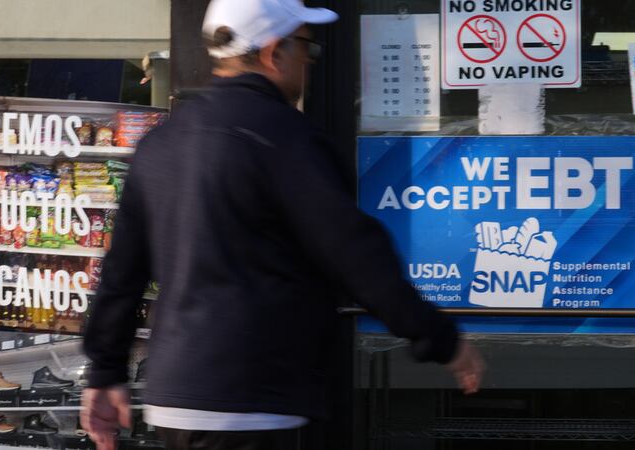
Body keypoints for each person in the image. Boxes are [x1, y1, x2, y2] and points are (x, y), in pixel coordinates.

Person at [80, 0, 485, 449]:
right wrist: (439, 337)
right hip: (254, 398)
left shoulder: (161, 143)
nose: (308, 66)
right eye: (308, 52)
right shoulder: (286, 137)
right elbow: (355, 254)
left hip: (174, 396)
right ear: (275, 52)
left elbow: (122, 273)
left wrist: (105, 371)